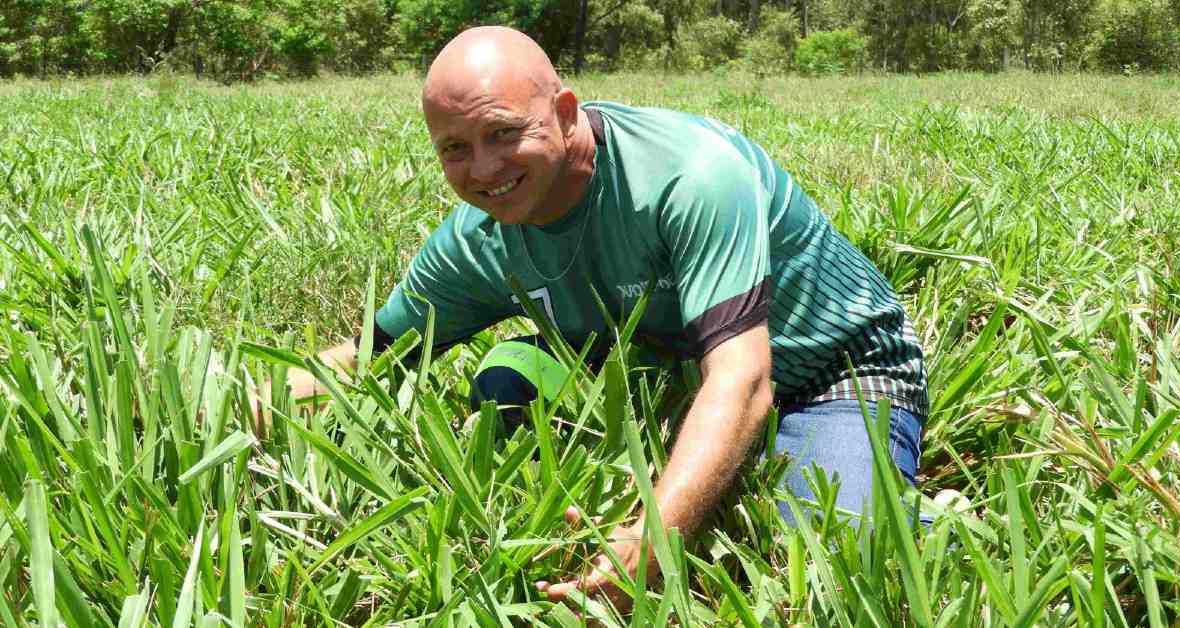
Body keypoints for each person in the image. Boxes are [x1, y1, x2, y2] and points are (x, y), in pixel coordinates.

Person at [261, 26, 928, 607]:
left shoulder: (688, 176)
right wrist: (240, 408)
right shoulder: (476, 240)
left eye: (502, 133)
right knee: (502, 395)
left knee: (828, 560)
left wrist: (656, 534)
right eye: (454, 148)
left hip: (831, 369)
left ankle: (919, 503)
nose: (484, 169)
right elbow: (370, 354)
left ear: (566, 111)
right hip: (665, 361)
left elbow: (746, 380)